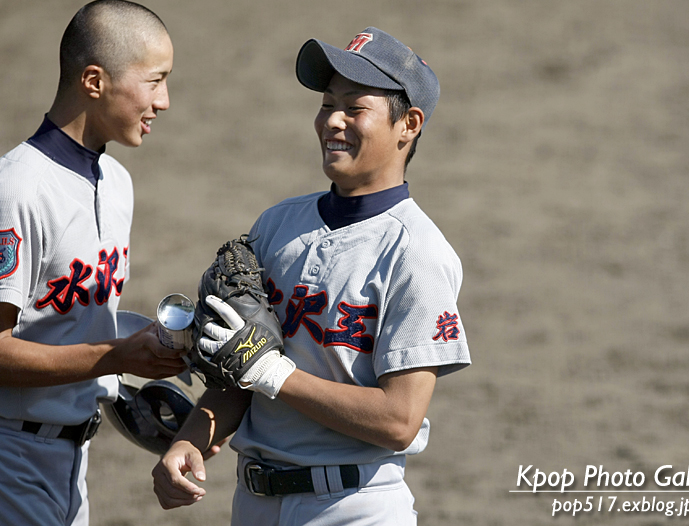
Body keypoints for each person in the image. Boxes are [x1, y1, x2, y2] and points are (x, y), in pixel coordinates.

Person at [152, 27, 471, 525]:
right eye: (326, 104)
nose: (333, 121)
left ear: (408, 124)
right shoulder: (278, 224)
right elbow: (243, 365)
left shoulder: (418, 253)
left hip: (354, 507)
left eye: (354, 107)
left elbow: (399, 420)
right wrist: (190, 439)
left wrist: (278, 375)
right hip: (254, 502)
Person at [0, 2, 185, 525]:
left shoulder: (118, 182)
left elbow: (73, 322)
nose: (164, 101)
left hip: (73, 460)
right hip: (9, 455)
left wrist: (159, 349)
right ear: (94, 80)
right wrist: (117, 356)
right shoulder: (18, 190)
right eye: (155, 81)